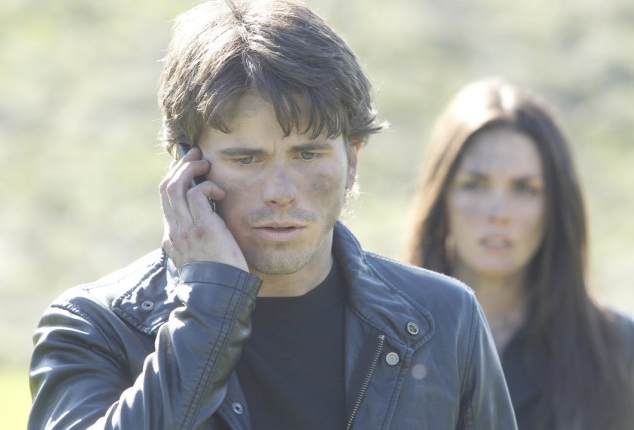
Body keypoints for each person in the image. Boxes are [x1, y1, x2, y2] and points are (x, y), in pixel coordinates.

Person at [28, 2, 518, 429]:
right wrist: (209, 309)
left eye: (308, 154)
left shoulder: (444, 318)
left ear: (352, 160)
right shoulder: (95, 328)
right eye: (247, 159)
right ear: (184, 169)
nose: (281, 192)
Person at [404, 78, 634, 430]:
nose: (498, 212)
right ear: (441, 197)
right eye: (474, 185)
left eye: (525, 189)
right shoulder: (380, 340)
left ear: (556, 206)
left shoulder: (618, 352)